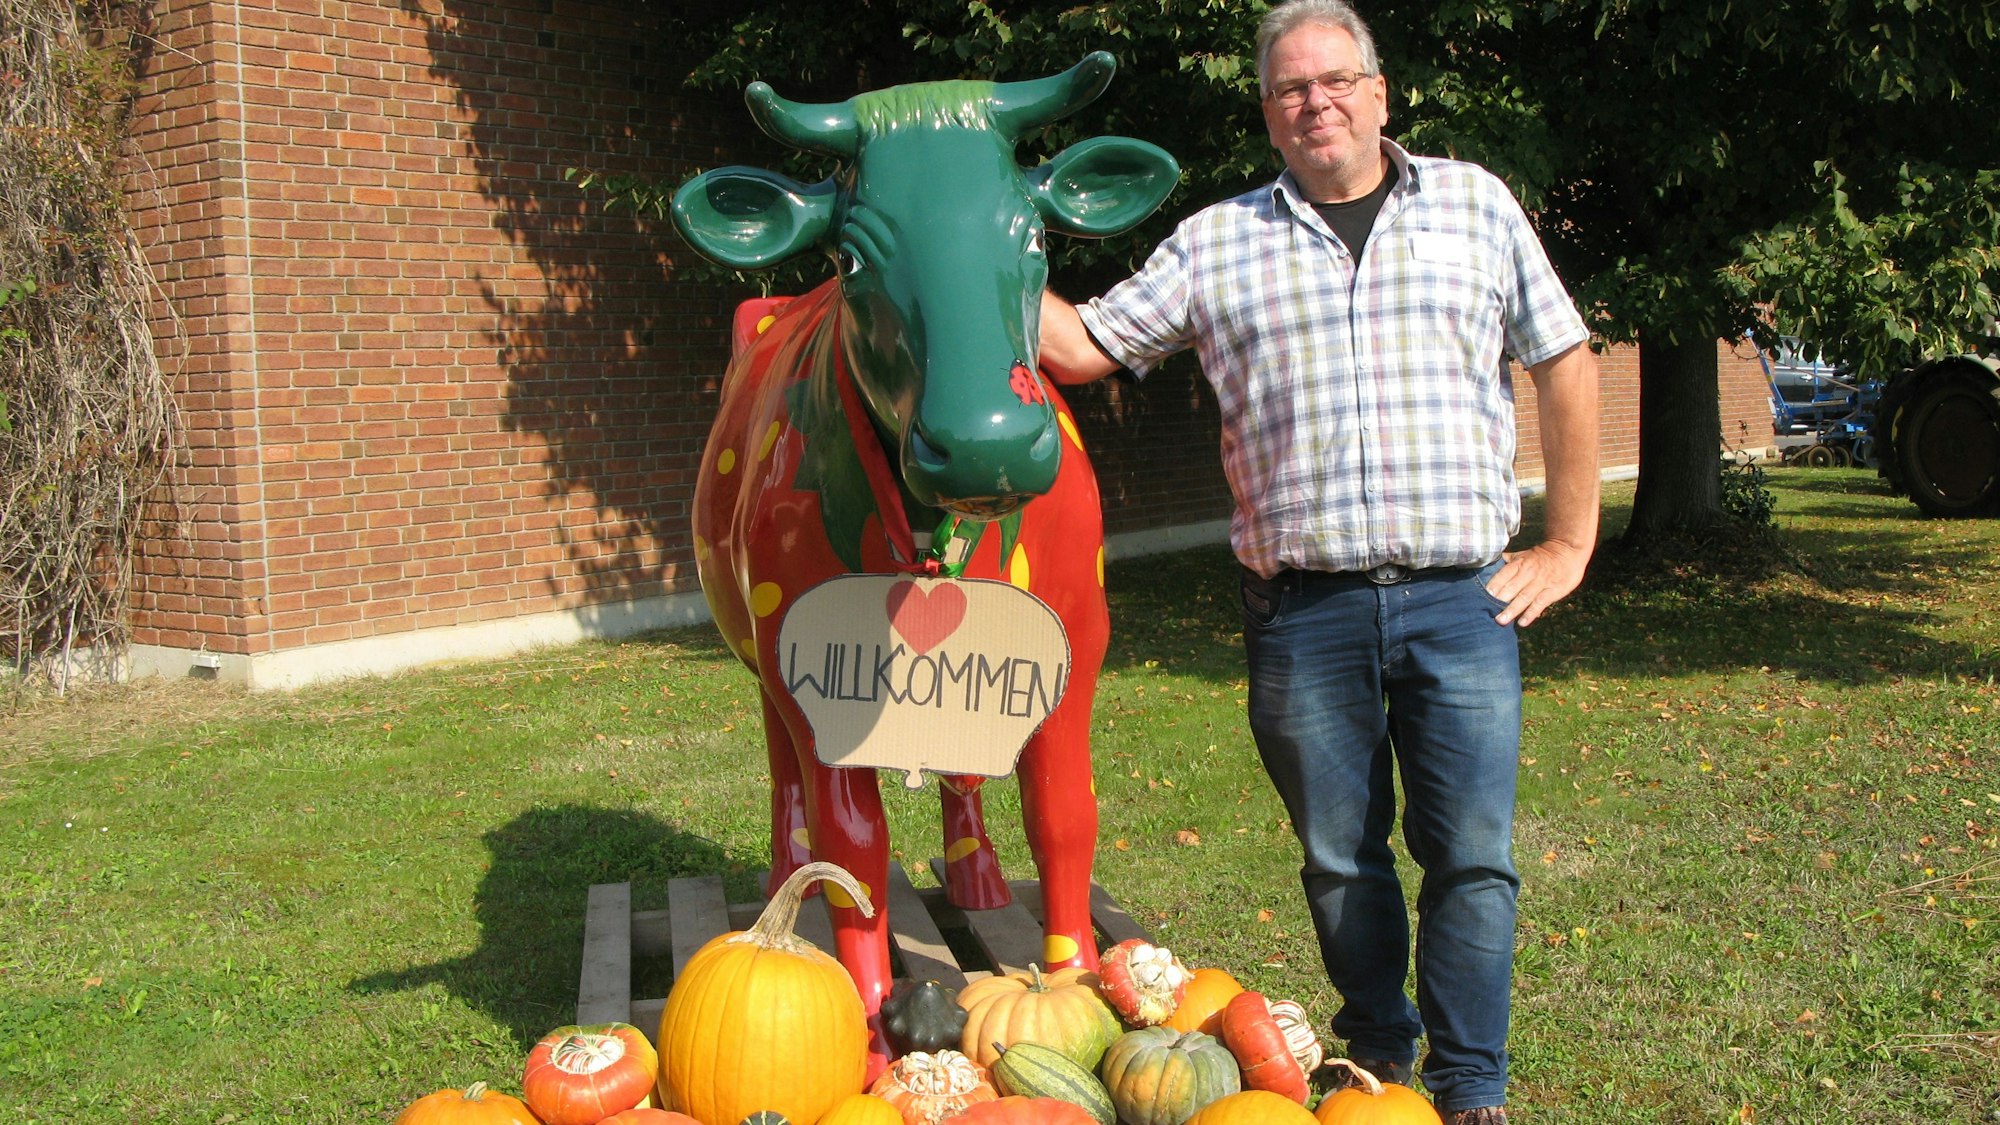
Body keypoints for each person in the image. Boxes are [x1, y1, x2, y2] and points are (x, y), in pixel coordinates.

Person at [1038, 2, 1600, 1121]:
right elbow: (1085, 345)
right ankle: (1379, 1054)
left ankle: (1471, 1086)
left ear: (1378, 93)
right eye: (1292, 88)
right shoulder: (1217, 241)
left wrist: (1570, 542)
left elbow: (1564, 358)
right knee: (1340, 858)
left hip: (1460, 601)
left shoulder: (1476, 205)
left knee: (1471, 856)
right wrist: (962, 254)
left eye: (1337, 80)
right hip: (1302, 612)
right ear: (1268, 114)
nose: (1317, 102)